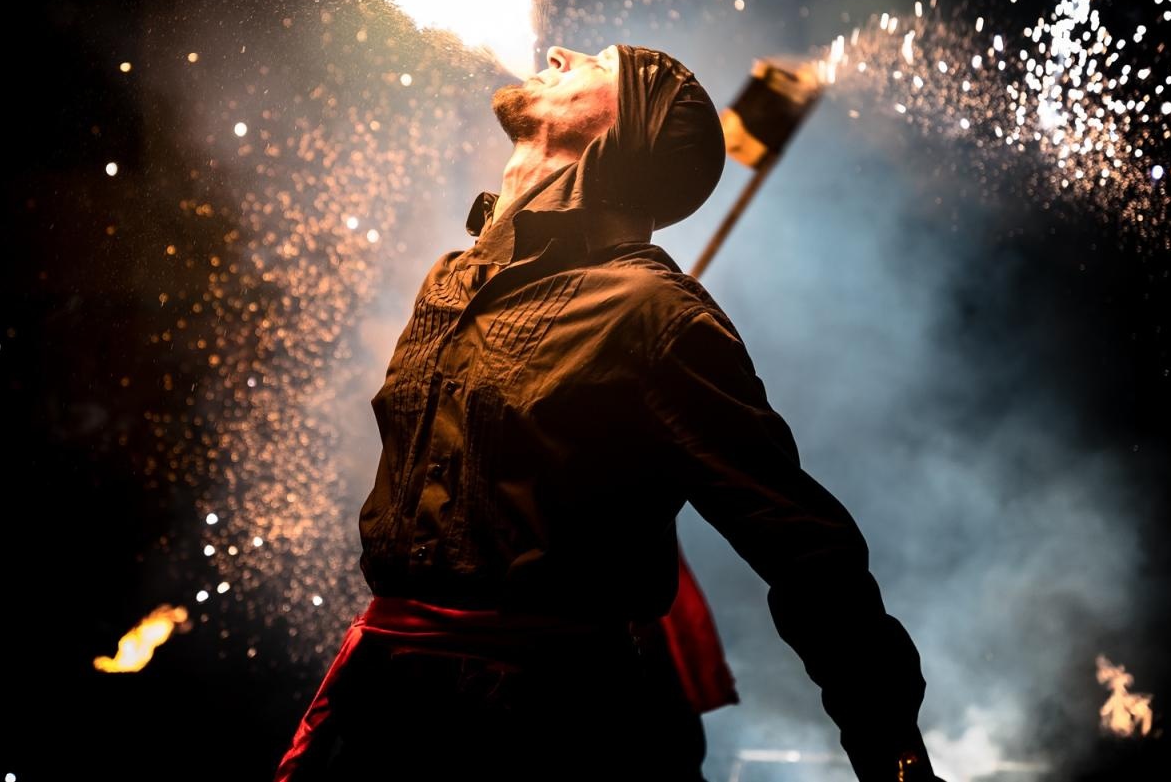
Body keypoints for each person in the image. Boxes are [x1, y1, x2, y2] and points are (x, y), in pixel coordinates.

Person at [276, 44, 941, 781]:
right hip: (380, 716)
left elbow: (803, 546)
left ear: (623, 134)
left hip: (545, 735)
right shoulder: (450, 279)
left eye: (597, 61)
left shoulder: (656, 314)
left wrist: (893, 752)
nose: (559, 51)